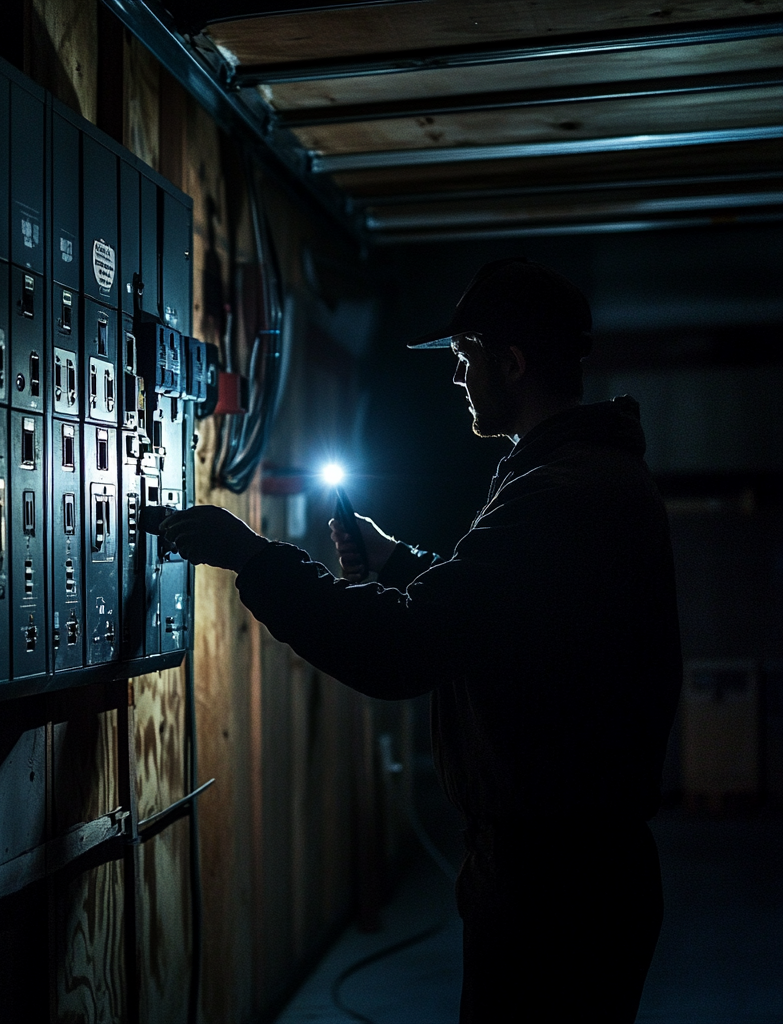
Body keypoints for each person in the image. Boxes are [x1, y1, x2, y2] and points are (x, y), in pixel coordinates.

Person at [161, 258, 682, 1023]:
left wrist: (252, 558)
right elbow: (501, 613)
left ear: (511, 363)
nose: (457, 378)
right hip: (570, 869)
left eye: (468, 359)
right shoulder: (574, 476)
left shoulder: (560, 492)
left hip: (556, 886)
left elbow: (406, 649)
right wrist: (397, 561)